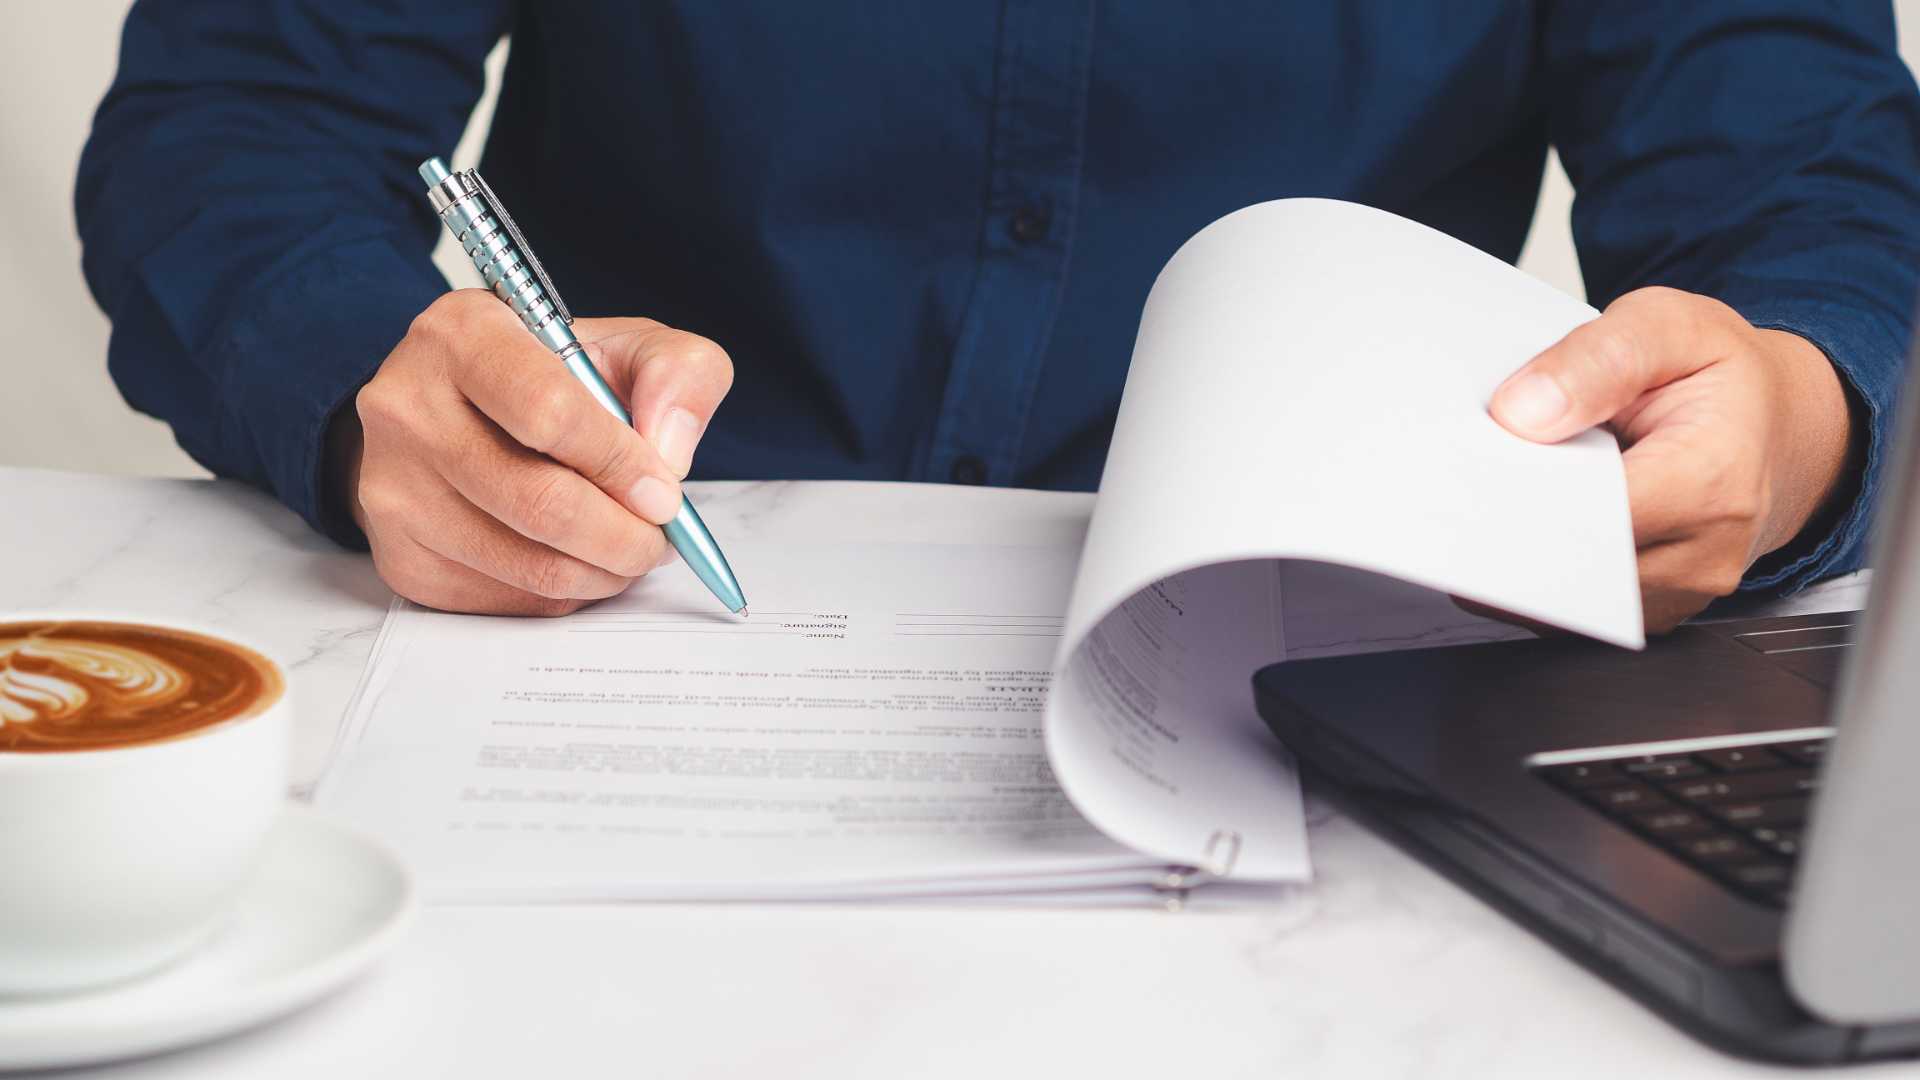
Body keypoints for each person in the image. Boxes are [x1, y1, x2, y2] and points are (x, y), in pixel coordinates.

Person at [78, 4, 1920, 633]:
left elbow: (1812, 188)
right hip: (621, 615)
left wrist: (1796, 416)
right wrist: (369, 381)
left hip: (1322, 657)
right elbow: (237, 123)